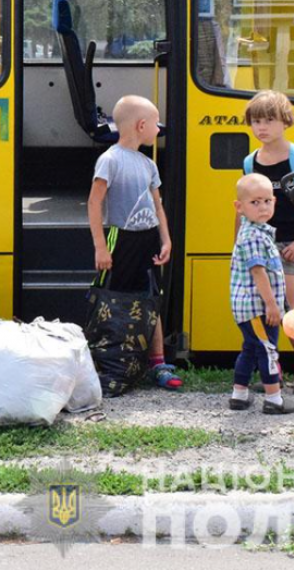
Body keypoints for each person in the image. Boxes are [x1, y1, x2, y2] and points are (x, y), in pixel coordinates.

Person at [87, 95, 180, 391]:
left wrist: (165, 240)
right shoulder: (110, 159)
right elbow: (94, 202)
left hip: (148, 239)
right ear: (141, 126)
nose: (158, 130)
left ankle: (157, 362)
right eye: (156, 125)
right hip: (120, 238)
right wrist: (101, 246)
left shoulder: (148, 164)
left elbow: (158, 206)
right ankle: (108, 356)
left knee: (149, 298)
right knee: (111, 297)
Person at [242, 90, 294, 395]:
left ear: (285, 122)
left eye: (268, 120)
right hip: (260, 245)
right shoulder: (250, 162)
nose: (261, 127)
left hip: (291, 243)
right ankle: (271, 370)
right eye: (256, 121)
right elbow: (245, 207)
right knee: (262, 307)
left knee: (289, 306)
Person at [229, 173, 294, 414]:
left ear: (275, 202)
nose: (263, 207)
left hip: (252, 308)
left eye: (267, 201)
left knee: (250, 348)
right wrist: (272, 306)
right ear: (239, 207)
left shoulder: (258, 231)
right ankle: (273, 398)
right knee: (268, 350)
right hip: (258, 308)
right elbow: (259, 273)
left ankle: (239, 394)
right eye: (255, 202)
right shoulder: (254, 236)